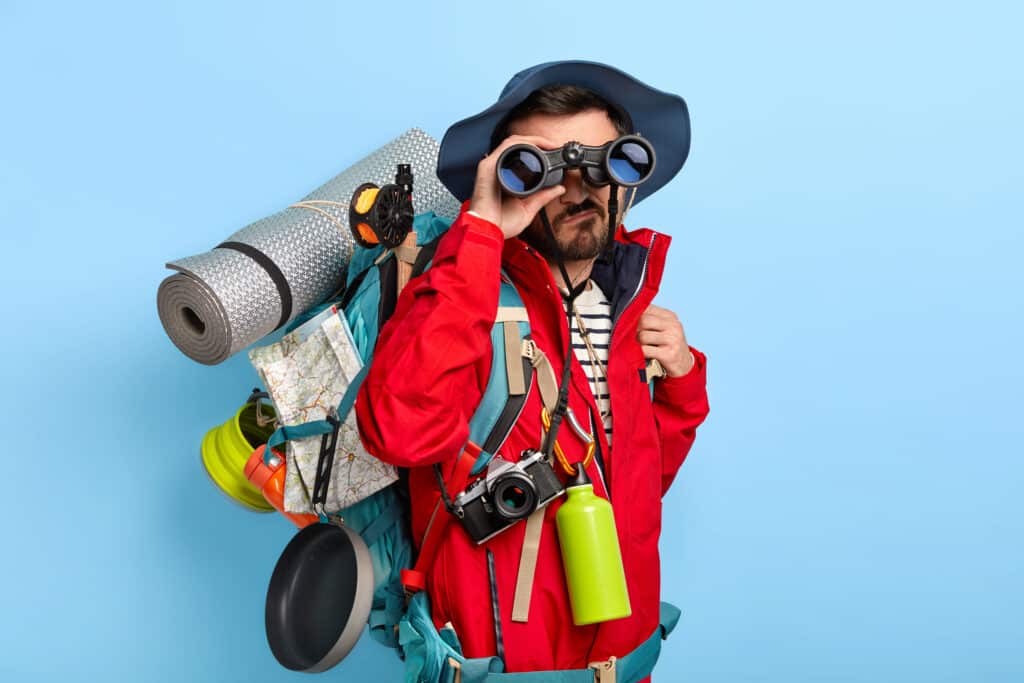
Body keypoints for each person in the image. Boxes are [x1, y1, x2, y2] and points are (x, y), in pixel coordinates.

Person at [356, 61, 710, 680]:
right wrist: (483, 229)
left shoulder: (625, 310)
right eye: (541, 166)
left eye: (602, 162)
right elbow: (400, 432)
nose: (575, 188)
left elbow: (638, 486)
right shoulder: (462, 298)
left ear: (626, 179)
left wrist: (680, 385)